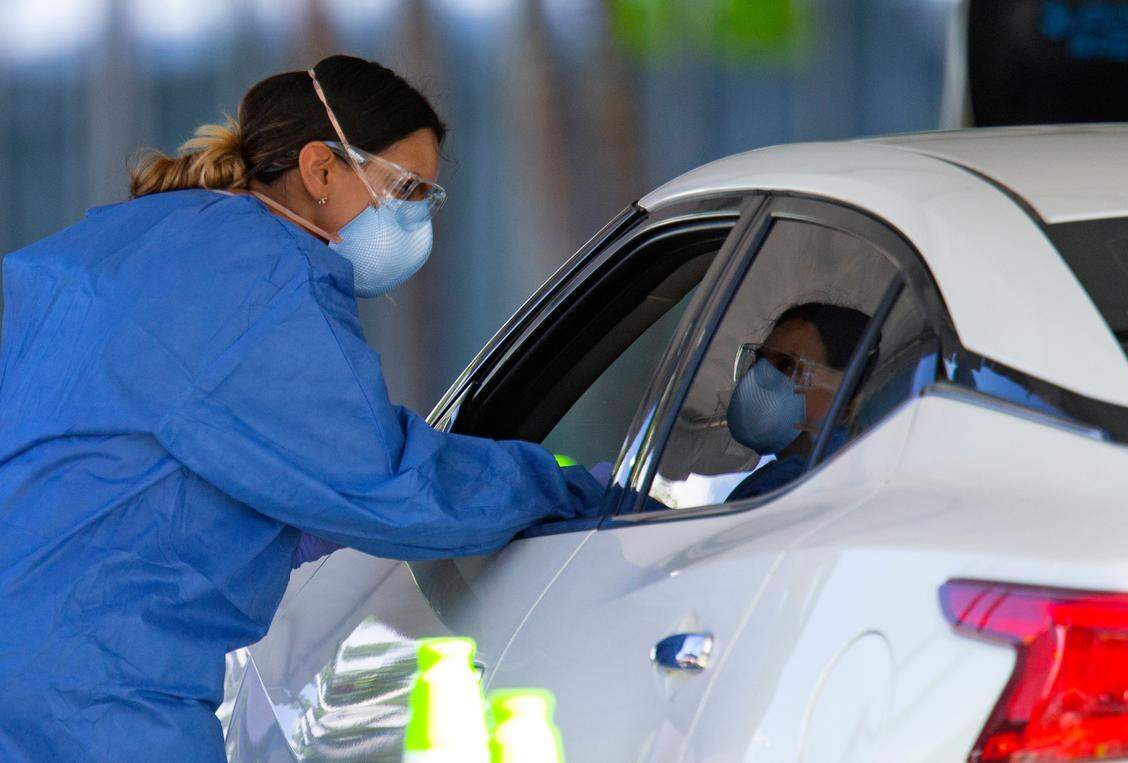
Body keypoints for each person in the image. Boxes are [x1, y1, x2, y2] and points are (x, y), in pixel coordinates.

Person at [0, 55, 603, 761]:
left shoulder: (123, 244)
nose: (418, 223)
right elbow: (395, 485)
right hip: (92, 691)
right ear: (320, 170)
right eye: (407, 191)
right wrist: (565, 488)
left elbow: (141, 454)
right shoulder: (268, 286)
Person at [725, 302, 873, 500]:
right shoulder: (846, 477)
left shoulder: (789, 488)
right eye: (758, 362)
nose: (757, 378)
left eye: (786, 364)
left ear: (844, 406)